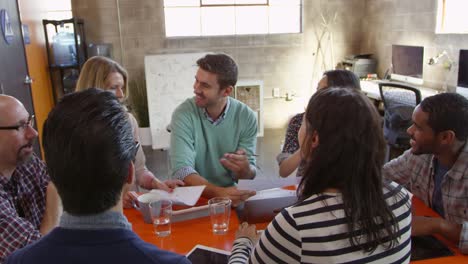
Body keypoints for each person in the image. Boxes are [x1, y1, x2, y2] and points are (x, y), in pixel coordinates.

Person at [5, 89, 191, 264]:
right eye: (20, 126)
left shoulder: (18, 261)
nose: (32, 132)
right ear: (129, 173)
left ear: (52, 175)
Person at [229, 88, 412, 263]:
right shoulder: (401, 198)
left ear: (314, 139)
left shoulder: (295, 224)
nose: (299, 126)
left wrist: (244, 243)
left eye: (303, 122)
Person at [75, 56, 183, 208]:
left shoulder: (128, 121)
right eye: (113, 87)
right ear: (94, 88)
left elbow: (139, 170)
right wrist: (117, 198)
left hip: (130, 210)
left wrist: (157, 184)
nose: (120, 94)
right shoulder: (73, 128)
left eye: (122, 87)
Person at [383, 92, 468, 254]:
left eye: (418, 127)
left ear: (445, 137)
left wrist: (437, 225)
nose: (409, 130)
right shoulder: (422, 156)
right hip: (435, 246)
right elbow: (381, 176)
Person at [170, 53, 257, 206]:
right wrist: (218, 192)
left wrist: (244, 169)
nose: (196, 88)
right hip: (192, 199)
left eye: (205, 85)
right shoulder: (183, 114)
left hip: (231, 198)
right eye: (196, 80)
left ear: (227, 91)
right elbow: (182, 170)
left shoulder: (246, 117)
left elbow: (248, 175)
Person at [0, 95, 61, 263]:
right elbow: (42, 258)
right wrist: (55, 199)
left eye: (29, 122)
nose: (33, 133)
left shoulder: (27, 163)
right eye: (20, 126)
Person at [277, 69, 361, 177]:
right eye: (317, 90)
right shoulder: (300, 121)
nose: (316, 96)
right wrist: (305, 148)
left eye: (324, 91)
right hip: (308, 188)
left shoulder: (359, 125)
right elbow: (284, 171)